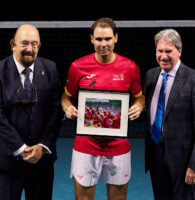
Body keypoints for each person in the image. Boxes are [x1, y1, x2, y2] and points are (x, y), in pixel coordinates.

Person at [61, 18, 145, 200]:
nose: (103, 44)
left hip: (118, 147)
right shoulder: (77, 67)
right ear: (91, 39)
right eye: (99, 39)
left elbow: (139, 97)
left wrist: (138, 107)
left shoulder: (130, 68)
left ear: (116, 38)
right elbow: (66, 97)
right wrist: (68, 107)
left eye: (108, 39)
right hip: (85, 145)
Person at [0, 24, 62, 200]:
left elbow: (56, 112)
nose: (30, 49)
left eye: (34, 44)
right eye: (24, 43)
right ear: (13, 44)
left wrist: (42, 146)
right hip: (6, 160)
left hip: (41, 161)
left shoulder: (50, 69)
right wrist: (21, 148)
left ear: (39, 45)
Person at [144, 28, 195, 200]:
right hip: (156, 155)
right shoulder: (151, 76)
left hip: (184, 159)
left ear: (179, 51)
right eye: (160, 51)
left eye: (169, 51)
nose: (163, 56)